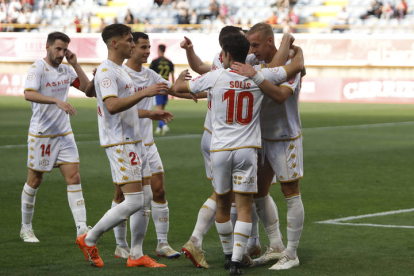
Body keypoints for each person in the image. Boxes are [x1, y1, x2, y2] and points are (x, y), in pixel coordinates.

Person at [175, 33, 302, 275]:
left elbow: (180, 87)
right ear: (248, 53)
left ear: (226, 53)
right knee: (243, 205)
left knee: (223, 202)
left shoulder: (215, 74)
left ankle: (226, 252)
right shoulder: (259, 75)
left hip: (218, 146)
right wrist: (293, 46)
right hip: (247, 150)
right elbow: (292, 68)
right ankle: (236, 259)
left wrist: (181, 82)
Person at [76, 24, 168, 268]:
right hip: (120, 142)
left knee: (146, 196)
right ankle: (90, 237)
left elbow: (127, 106)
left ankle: (136, 254)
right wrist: (147, 91)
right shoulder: (107, 71)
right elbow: (113, 106)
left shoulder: (120, 70)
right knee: (135, 200)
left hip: (135, 141)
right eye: (128, 40)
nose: (132, 44)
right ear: (114, 43)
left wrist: (150, 114)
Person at [235, 22, 305, 270]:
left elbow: (279, 96)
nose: (252, 50)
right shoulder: (254, 62)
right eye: (249, 45)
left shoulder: (290, 65)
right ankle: (276, 245)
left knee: (290, 191)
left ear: (269, 42)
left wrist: (290, 47)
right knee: (259, 192)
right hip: (260, 138)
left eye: (255, 44)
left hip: (285, 137)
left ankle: (292, 253)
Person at [111, 32, 181, 260]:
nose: (147, 51)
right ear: (131, 48)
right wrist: (151, 112)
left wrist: (204, 91)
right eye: (143, 47)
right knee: (122, 195)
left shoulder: (150, 74)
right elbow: (117, 108)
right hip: (125, 143)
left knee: (159, 190)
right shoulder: (120, 76)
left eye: (149, 47)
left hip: (148, 144)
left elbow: (175, 90)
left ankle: (162, 243)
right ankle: (121, 245)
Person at [21, 31, 90, 242]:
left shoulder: (66, 70)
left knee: (74, 177)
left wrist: (76, 64)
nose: (61, 54)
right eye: (58, 49)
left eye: (64, 50)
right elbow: (28, 93)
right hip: (42, 134)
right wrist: (56, 101)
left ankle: (81, 229)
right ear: (48, 46)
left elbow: (88, 89)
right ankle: (26, 228)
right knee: (35, 180)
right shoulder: (38, 68)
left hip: (64, 134)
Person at [150, 44, 175, 135]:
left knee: (158, 110)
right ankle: (159, 129)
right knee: (162, 109)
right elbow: (172, 76)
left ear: (158, 50)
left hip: (158, 87)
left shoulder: (155, 61)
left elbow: (150, 75)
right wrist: (173, 89)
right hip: (166, 87)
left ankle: (164, 126)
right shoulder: (169, 62)